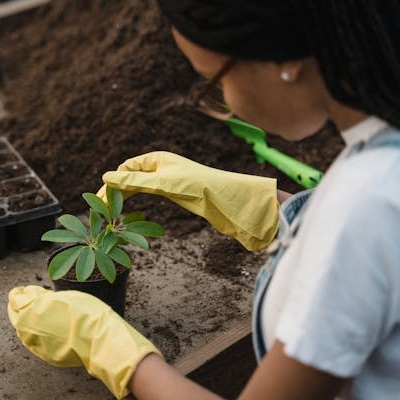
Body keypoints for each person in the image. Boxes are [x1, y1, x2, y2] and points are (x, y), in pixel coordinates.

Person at [7, 1, 400, 399]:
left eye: (214, 83)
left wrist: (111, 349)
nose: (227, 104)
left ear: (284, 60)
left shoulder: (363, 207)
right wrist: (275, 207)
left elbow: (365, 224)